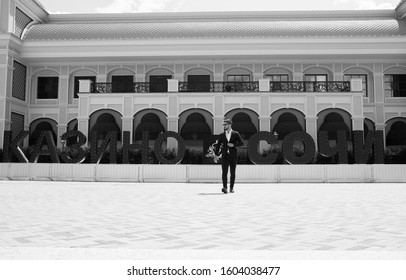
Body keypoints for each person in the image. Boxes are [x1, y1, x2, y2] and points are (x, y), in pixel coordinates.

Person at [214, 119, 244, 194]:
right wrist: (216, 155)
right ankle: (225, 187)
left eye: (225, 125)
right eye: (224, 125)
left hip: (233, 156)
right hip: (224, 156)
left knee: (232, 172)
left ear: (230, 125)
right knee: (224, 172)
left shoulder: (235, 134)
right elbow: (218, 146)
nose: (224, 126)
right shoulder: (221, 135)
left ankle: (231, 188)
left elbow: (241, 143)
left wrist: (233, 145)